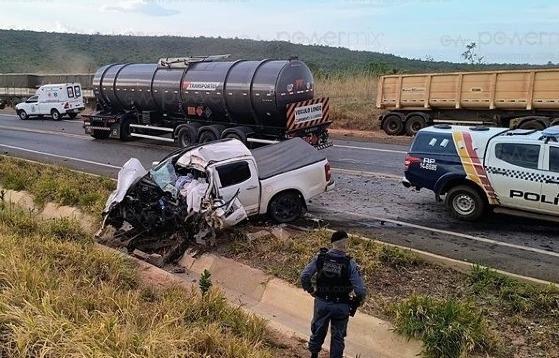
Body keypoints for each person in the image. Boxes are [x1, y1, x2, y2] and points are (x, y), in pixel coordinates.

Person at [300, 230, 367, 358]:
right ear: (346, 244)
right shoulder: (350, 263)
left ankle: (314, 355)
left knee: (318, 330)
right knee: (338, 337)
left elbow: (304, 276)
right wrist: (359, 300)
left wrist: (311, 290)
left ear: (332, 243)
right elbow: (360, 290)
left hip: (322, 303)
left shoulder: (321, 257)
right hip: (341, 306)